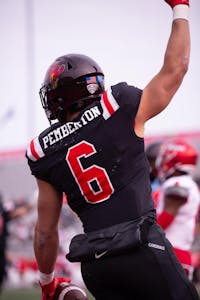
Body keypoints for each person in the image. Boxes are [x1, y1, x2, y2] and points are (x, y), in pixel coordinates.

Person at [26, 0, 200, 299]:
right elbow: (176, 68)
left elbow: (44, 234)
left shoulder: (42, 149)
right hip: (142, 249)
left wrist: (47, 282)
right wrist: (180, 8)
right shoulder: (119, 105)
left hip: (96, 265)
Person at [155, 139, 200, 281]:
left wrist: (144, 235)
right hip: (179, 253)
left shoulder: (177, 183)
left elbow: (167, 217)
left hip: (170, 253)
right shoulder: (190, 184)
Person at [0, 193, 33, 292]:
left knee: (1, 274)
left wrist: (31, 205)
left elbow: (16, 213)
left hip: (1, 249)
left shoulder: (3, 211)